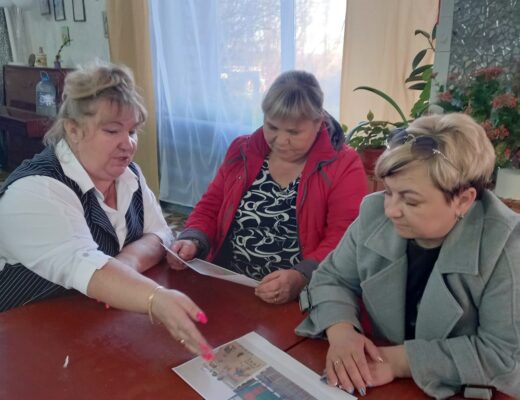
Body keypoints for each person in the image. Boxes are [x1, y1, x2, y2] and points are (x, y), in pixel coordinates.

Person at [296, 113, 520, 399]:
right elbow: (331, 279)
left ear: (463, 200)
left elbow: (503, 355)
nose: (391, 210)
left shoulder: (507, 245)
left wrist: (398, 361)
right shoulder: (374, 213)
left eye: (411, 201)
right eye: (388, 192)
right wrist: (341, 332)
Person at [0, 62, 214, 360]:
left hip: (98, 331)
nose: (128, 144)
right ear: (73, 129)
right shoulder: (36, 190)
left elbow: (161, 233)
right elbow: (84, 266)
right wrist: (155, 297)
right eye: (112, 130)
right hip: (27, 341)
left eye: (133, 131)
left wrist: (125, 263)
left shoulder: (129, 175)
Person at [167, 70, 368, 304]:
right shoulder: (242, 150)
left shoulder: (343, 164)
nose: (280, 140)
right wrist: (193, 239)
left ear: (318, 123)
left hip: (301, 296)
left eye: (294, 132)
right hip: (229, 282)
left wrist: (301, 276)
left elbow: (343, 238)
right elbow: (211, 206)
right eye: (272, 126)